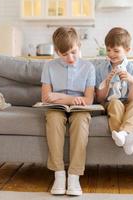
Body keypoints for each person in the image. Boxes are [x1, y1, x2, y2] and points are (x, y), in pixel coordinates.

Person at [41, 27, 95, 196]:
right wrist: (70, 99)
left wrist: (58, 96)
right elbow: (46, 98)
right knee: (54, 119)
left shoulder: (89, 67)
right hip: (57, 108)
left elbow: (88, 100)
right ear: (57, 51)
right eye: (64, 55)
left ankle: (74, 177)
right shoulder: (49, 66)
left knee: (81, 121)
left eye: (74, 52)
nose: (70, 58)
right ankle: (59, 174)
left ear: (79, 46)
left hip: (80, 108)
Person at [95, 27, 133, 155]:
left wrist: (132, 82)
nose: (111, 54)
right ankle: (127, 139)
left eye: (116, 50)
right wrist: (107, 82)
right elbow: (100, 99)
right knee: (115, 103)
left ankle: (123, 134)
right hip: (111, 102)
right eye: (108, 50)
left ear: (127, 50)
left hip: (129, 102)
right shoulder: (101, 69)